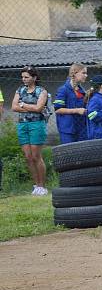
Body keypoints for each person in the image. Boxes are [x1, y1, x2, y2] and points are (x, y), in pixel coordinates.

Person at [11, 66, 50, 196]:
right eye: (22, 77)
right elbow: (14, 107)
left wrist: (23, 105)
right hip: (23, 125)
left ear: (34, 77)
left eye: (26, 77)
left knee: (36, 156)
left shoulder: (42, 91)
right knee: (28, 157)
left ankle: (42, 186)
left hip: (37, 124)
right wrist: (29, 107)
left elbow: (39, 108)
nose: (24, 79)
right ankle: (36, 185)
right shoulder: (20, 90)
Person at [53, 63, 88, 144]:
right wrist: (76, 110)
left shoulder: (82, 90)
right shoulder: (63, 90)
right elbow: (58, 109)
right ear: (74, 73)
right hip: (68, 130)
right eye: (83, 73)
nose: (86, 75)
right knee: (70, 153)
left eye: (86, 73)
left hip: (82, 128)